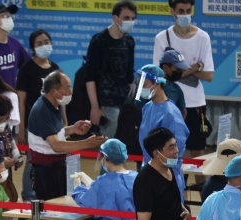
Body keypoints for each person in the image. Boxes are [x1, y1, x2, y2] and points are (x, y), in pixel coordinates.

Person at [27, 71, 106, 209]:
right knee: (51, 215)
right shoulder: (42, 111)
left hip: (58, 167)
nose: (71, 91)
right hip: (46, 171)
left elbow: (53, 132)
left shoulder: (54, 104)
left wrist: (72, 129)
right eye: (67, 87)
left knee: (62, 208)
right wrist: (87, 143)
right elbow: (56, 145)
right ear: (54, 91)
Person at [152, 0, 214, 160]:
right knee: (170, 150)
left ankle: (200, 186)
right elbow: (159, 75)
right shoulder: (162, 38)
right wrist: (194, 68)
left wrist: (177, 70)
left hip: (195, 103)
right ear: (172, 11)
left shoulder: (202, 37)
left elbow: (208, 76)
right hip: (169, 103)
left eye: (188, 11)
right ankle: (175, 184)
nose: (185, 15)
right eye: (181, 11)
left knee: (198, 151)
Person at [68, 139, 137, 220]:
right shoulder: (136, 177)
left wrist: (77, 187)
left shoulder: (104, 182)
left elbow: (85, 201)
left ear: (105, 158)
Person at [137, 65, 189, 198]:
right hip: (148, 172)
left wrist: (163, 177)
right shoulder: (147, 108)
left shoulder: (170, 114)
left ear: (158, 84)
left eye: (145, 84)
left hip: (166, 178)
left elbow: (175, 154)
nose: (141, 87)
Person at [85, 1, 137, 131]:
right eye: (126, 18)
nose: (130, 21)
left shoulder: (129, 41)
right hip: (105, 104)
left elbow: (129, 74)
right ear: (115, 18)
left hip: (124, 102)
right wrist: (95, 107)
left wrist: (134, 102)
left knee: (124, 144)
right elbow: (89, 76)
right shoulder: (99, 40)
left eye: (133, 18)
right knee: (109, 146)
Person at [14, 30, 59, 150]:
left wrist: (64, 123)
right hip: (34, 123)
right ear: (33, 48)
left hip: (53, 123)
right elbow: (21, 102)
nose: (44, 46)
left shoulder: (55, 68)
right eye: (39, 44)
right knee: (33, 160)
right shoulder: (26, 69)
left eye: (46, 42)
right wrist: (21, 129)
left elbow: (61, 100)